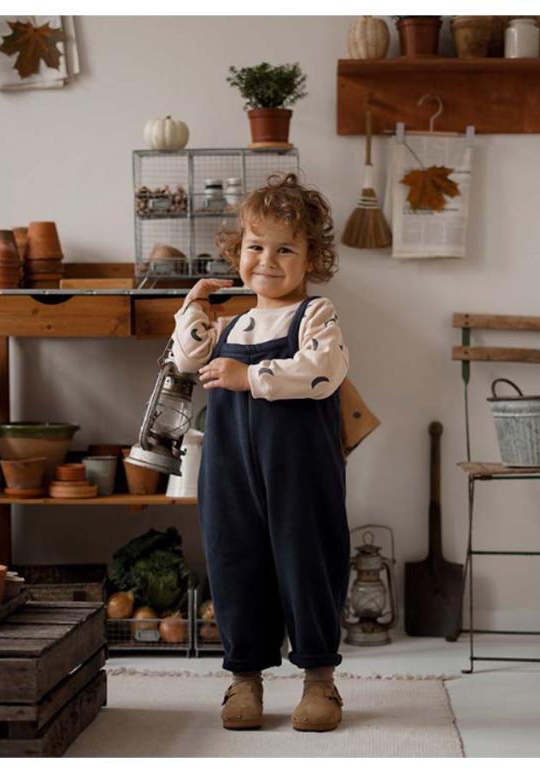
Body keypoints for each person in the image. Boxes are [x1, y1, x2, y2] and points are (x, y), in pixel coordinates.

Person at [171, 173, 351, 732]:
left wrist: (247, 377)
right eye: (255, 247)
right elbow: (185, 359)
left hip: (300, 471)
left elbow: (322, 372)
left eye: (285, 249)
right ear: (237, 252)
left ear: (311, 257)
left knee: (307, 561)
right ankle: (245, 678)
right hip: (230, 471)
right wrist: (193, 305)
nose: (267, 261)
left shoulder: (315, 315)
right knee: (234, 560)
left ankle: (319, 680)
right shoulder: (231, 324)